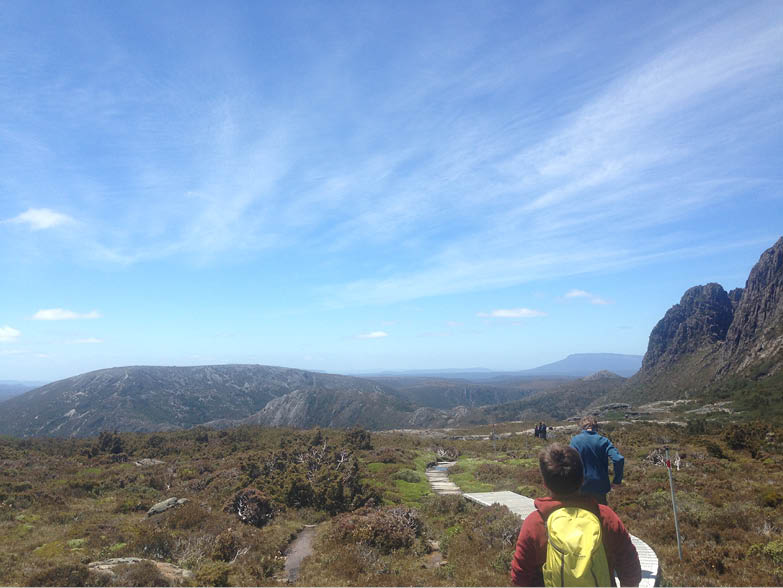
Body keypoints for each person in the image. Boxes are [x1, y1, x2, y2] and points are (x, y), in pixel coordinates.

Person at [510, 444, 641, 587]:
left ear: (545, 484)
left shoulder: (535, 524)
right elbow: (631, 571)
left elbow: (520, 579)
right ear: (582, 479)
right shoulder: (605, 517)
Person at [570, 416, 624, 505]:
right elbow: (618, 459)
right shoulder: (604, 441)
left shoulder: (575, 441)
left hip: (581, 486)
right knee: (600, 515)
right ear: (596, 427)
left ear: (582, 427)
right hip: (600, 487)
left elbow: (569, 462)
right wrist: (617, 481)